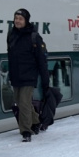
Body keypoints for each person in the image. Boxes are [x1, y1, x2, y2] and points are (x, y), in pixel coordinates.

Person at [7, 8, 48, 142]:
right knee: (20, 102)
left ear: (26, 20)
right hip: (16, 75)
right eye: (16, 18)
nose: (17, 21)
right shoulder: (11, 34)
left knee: (24, 103)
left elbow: (41, 60)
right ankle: (36, 121)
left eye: (20, 19)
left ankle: (25, 131)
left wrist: (45, 80)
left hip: (29, 75)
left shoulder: (34, 36)